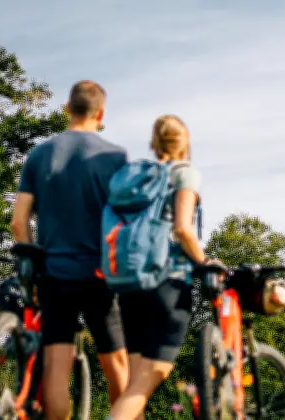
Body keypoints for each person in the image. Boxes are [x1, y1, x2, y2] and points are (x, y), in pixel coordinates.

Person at [10, 80, 130, 420]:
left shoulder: (40, 154)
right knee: (117, 366)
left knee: (56, 371)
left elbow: (19, 222)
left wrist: (32, 262)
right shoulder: (115, 157)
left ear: (67, 108)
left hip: (54, 275)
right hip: (99, 276)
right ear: (101, 113)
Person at [107, 115, 215, 420]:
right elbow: (182, 229)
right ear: (185, 143)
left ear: (154, 143)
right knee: (151, 375)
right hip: (168, 281)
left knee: (134, 385)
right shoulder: (184, 174)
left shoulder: (137, 180)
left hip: (129, 283)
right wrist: (205, 262)